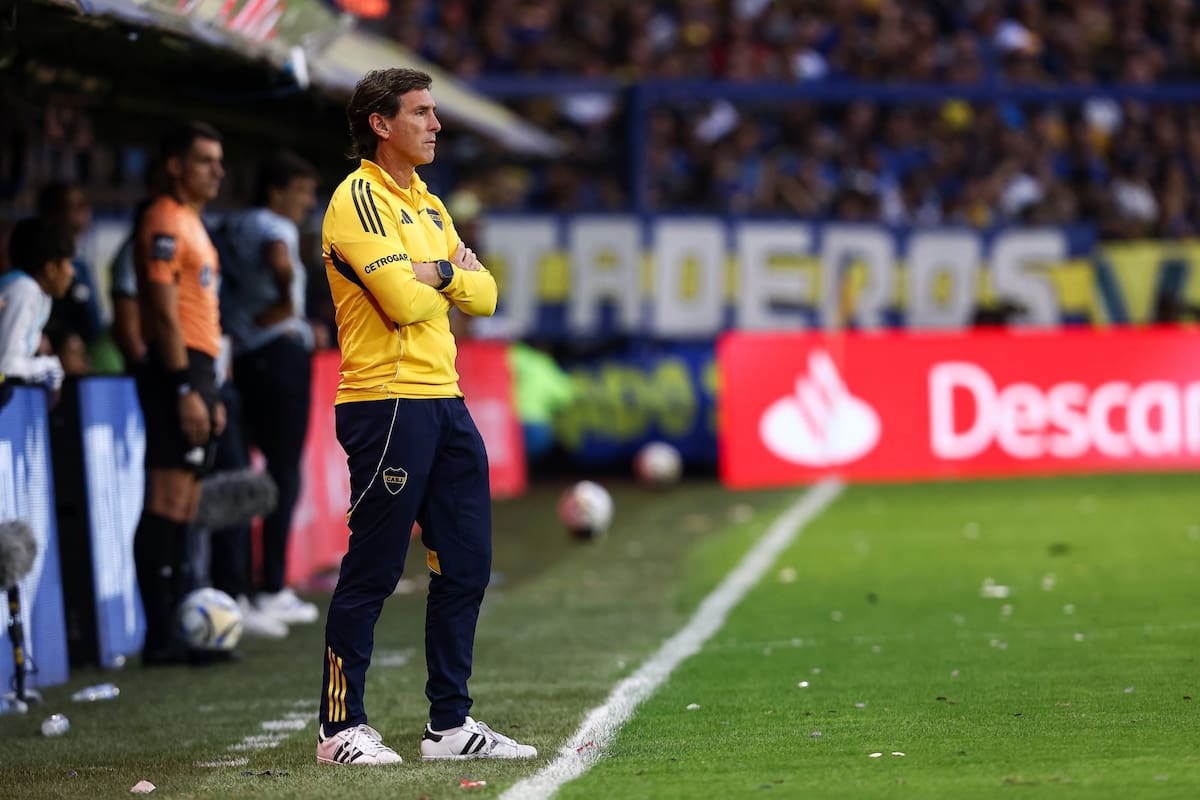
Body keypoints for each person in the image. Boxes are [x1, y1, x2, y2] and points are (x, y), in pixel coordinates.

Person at [315, 68, 536, 765]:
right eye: (421, 113)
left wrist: (434, 272)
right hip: (385, 402)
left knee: (466, 564)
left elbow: (488, 295)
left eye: (434, 112)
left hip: (445, 399)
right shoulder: (357, 200)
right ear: (381, 125)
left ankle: (449, 726)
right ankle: (339, 729)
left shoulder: (432, 206)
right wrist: (450, 275)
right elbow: (403, 303)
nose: (436, 125)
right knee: (375, 569)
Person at [131, 121, 228, 666]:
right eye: (204, 161)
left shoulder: (192, 221)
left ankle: (178, 627)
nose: (217, 171)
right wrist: (185, 387)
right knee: (166, 499)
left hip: (200, 369)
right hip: (178, 369)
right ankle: (159, 637)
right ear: (175, 166)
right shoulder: (163, 219)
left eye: (218, 161)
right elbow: (165, 315)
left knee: (185, 502)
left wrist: (210, 388)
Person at [219, 151, 321, 628]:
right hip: (279, 353)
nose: (308, 202)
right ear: (276, 191)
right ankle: (272, 587)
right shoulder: (275, 227)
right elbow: (279, 260)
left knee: (243, 470)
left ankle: (236, 584)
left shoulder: (231, 224)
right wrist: (287, 306)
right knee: (283, 470)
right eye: (301, 191)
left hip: (244, 355)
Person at [0, 217, 76, 392]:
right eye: (69, 263)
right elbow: (6, 365)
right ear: (51, 269)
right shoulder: (24, 290)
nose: (72, 272)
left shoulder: (40, 295)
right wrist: (47, 366)